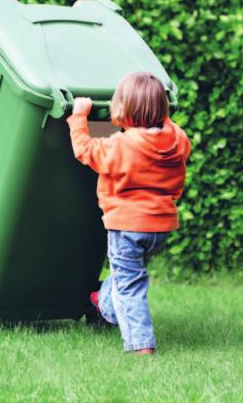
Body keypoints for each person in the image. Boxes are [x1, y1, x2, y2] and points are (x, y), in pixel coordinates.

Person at [67, 72, 191, 355]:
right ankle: (102, 303)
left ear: (125, 110)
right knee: (127, 275)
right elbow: (167, 127)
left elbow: (84, 150)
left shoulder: (123, 144)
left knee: (130, 287)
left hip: (127, 226)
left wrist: (79, 116)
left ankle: (141, 347)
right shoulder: (178, 139)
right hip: (160, 225)